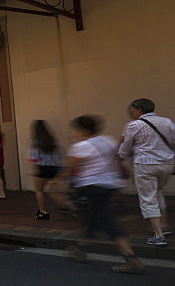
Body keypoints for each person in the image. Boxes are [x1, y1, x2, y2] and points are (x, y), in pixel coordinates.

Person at [65, 115, 142, 274]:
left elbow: (72, 168)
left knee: (106, 221)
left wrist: (56, 181)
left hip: (92, 186)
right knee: (95, 216)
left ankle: (131, 258)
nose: (74, 132)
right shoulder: (108, 140)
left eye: (76, 129)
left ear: (82, 129)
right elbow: (118, 158)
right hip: (111, 185)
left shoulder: (80, 147)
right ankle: (81, 249)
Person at [118, 97, 175, 246]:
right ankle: (163, 225)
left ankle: (159, 235)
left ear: (139, 110)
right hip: (167, 163)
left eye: (132, 109)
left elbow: (125, 147)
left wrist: (120, 158)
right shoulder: (167, 122)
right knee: (157, 193)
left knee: (147, 198)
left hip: (145, 165)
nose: (130, 111)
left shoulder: (134, 125)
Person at [29, 120, 62, 220]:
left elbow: (33, 157)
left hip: (41, 167)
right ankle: (65, 204)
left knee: (39, 191)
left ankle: (43, 211)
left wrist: (33, 167)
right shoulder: (51, 139)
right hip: (52, 167)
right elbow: (58, 154)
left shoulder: (35, 141)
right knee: (53, 188)